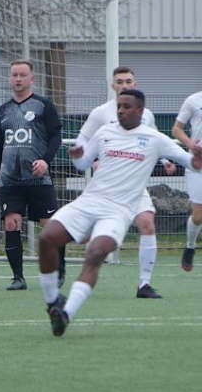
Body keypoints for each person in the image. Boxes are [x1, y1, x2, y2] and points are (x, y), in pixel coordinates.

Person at [39, 89, 202, 337]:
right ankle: (53, 302)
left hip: (117, 212)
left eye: (126, 107)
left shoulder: (154, 138)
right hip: (88, 202)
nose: (121, 111)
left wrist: (196, 161)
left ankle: (66, 314)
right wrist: (79, 157)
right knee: (47, 238)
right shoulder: (105, 132)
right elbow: (83, 165)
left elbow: (186, 161)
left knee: (95, 252)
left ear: (140, 111)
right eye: (119, 106)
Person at [76, 66, 175, 298]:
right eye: (119, 81)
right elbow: (83, 138)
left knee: (147, 224)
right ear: (113, 86)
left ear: (135, 83)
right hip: (107, 186)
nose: (124, 85)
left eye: (128, 81)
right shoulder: (101, 113)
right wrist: (92, 162)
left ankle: (144, 284)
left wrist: (165, 160)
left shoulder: (145, 114)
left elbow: (155, 140)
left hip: (134, 186)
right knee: (88, 235)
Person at [0, 60, 64, 290]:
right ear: (9, 79)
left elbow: (55, 136)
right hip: (11, 180)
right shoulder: (3, 110)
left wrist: (45, 161)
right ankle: (18, 277)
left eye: (22, 75)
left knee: (50, 227)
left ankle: (59, 269)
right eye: (14, 75)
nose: (18, 79)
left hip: (38, 178)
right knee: (11, 224)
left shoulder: (43, 105)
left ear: (32, 79)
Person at [172, 90, 202, 272]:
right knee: (198, 215)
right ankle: (190, 246)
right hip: (197, 163)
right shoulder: (193, 100)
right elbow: (177, 129)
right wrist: (190, 144)